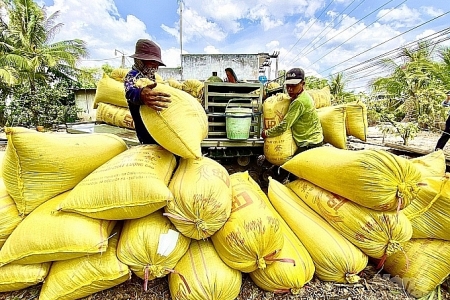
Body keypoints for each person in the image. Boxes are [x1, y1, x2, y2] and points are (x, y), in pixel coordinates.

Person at [261, 67, 324, 154]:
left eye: (293, 86)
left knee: (289, 166)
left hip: (310, 143)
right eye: (288, 86)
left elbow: (284, 126)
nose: (290, 89)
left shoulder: (299, 102)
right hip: (312, 140)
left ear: (303, 84)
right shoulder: (300, 95)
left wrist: (267, 133)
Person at [124, 39, 171, 145]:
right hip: (145, 130)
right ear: (139, 61)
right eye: (153, 62)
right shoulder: (132, 75)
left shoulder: (152, 78)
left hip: (158, 127)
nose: (156, 67)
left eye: (158, 64)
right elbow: (130, 93)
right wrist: (140, 95)